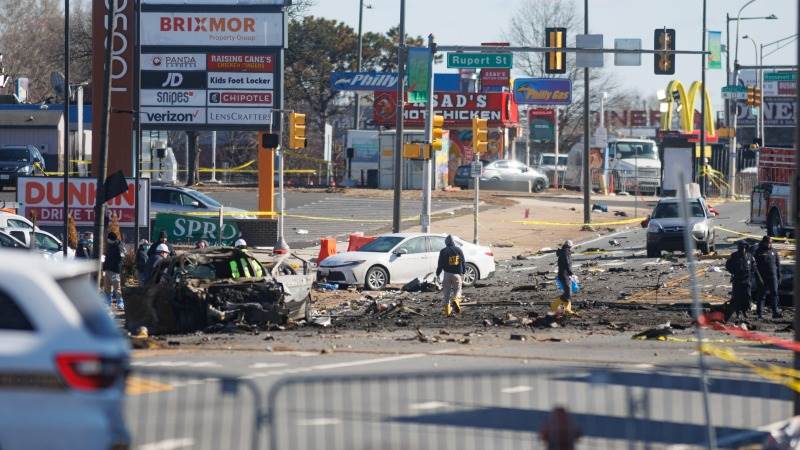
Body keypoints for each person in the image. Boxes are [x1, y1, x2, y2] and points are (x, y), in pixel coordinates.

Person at [435, 235, 465, 317]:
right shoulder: (459, 250)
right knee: (458, 290)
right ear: (453, 242)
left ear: (446, 242)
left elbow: (440, 264)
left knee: (446, 293)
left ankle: (447, 312)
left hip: (447, 274)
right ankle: (456, 299)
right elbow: (463, 262)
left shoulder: (443, 251)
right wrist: (463, 272)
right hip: (457, 275)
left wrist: (437, 274)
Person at [725, 241, 754, 320]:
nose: (742, 250)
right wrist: (733, 272)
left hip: (747, 279)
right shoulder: (734, 255)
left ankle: (745, 311)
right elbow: (728, 265)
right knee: (737, 297)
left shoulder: (749, 256)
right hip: (737, 279)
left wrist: (751, 275)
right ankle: (738, 312)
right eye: (741, 248)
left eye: (744, 248)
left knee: (747, 296)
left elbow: (753, 266)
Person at [755, 235, 782, 319]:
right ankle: (760, 314)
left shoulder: (774, 251)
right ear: (764, 242)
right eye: (768, 243)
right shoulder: (758, 251)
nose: (770, 244)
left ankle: (775, 312)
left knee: (774, 293)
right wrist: (758, 278)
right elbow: (754, 266)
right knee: (761, 295)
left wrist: (779, 275)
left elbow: (778, 264)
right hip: (762, 277)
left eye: (771, 243)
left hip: (773, 276)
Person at [552, 240, 576, 314]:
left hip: (563, 274)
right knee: (568, 293)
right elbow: (567, 263)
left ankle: (566, 309)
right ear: (570, 246)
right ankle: (554, 305)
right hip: (564, 274)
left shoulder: (563, 251)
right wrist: (571, 273)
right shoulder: (566, 252)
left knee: (568, 292)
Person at [102, 232, 125, 310]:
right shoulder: (110, 245)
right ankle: (107, 303)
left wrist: (117, 265)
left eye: (108, 238)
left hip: (115, 270)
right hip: (108, 269)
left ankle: (120, 303)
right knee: (107, 288)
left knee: (117, 288)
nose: (107, 240)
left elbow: (121, 258)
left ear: (112, 239)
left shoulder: (119, 246)